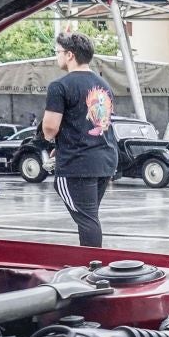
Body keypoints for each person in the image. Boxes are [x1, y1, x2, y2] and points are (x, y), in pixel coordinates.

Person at [43, 32, 118, 247]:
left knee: (87, 220)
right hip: (105, 159)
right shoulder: (104, 85)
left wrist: (51, 138)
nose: (56, 57)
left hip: (78, 163)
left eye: (57, 52)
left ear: (69, 54)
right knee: (89, 216)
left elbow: (49, 128)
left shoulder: (60, 86)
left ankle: (91, 265)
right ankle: (91, 262)